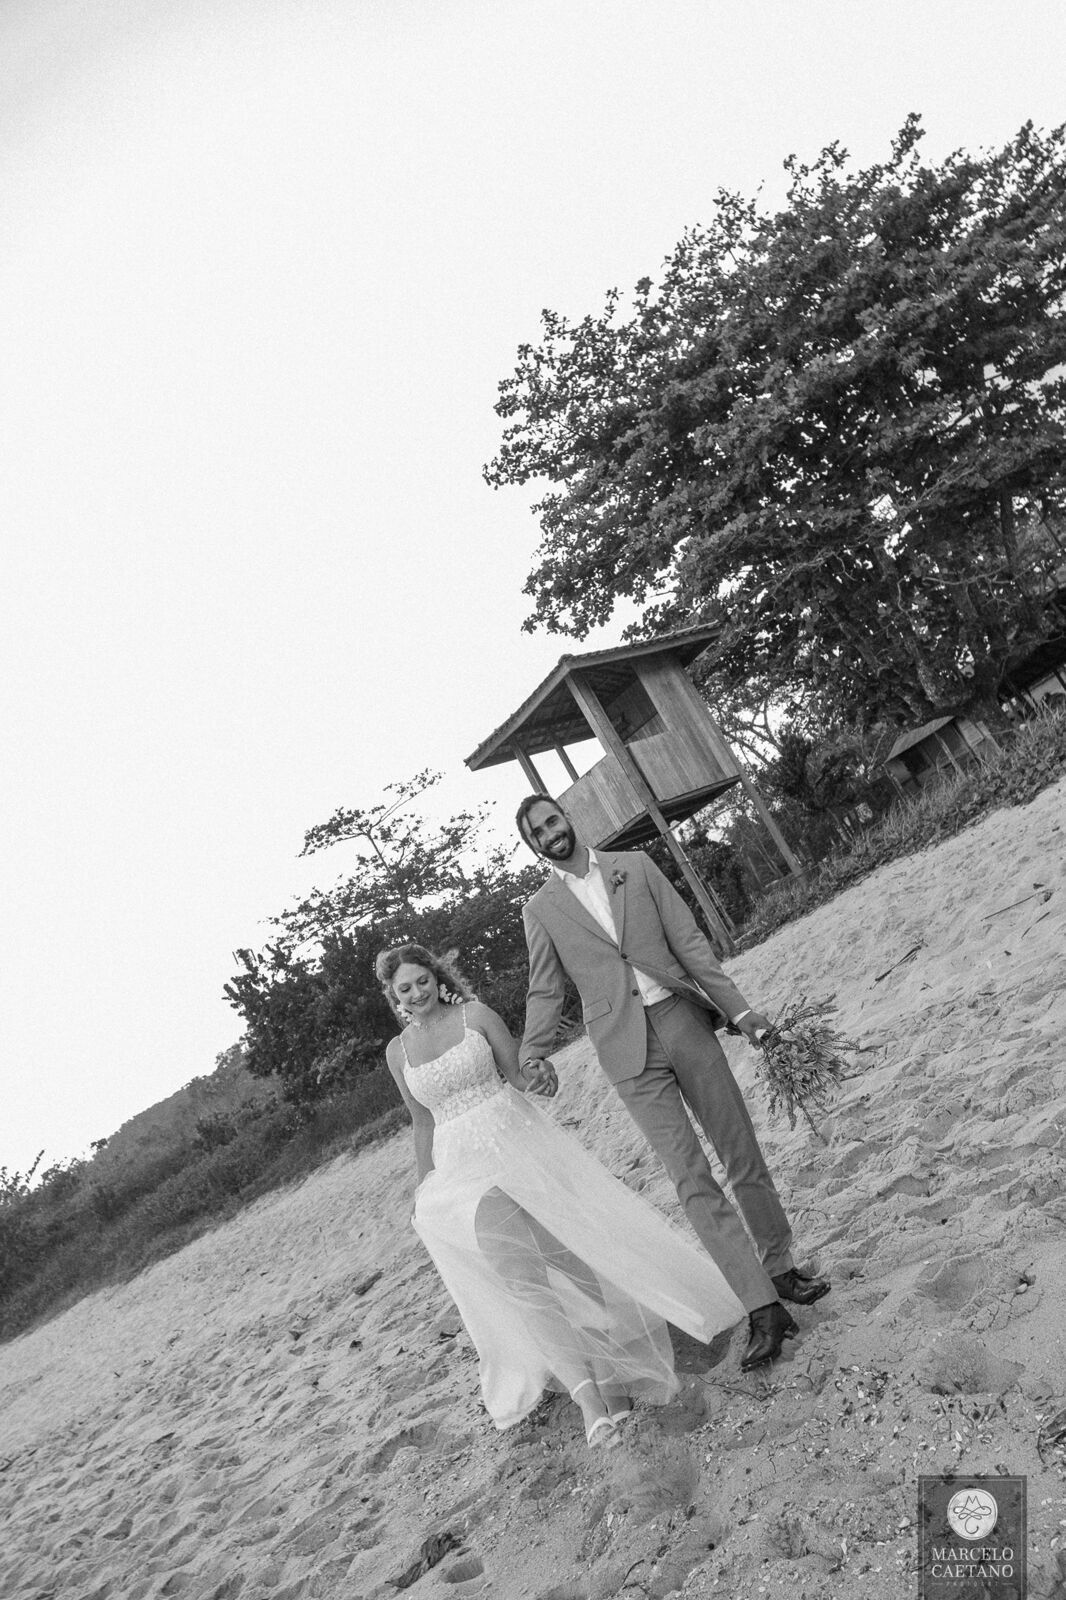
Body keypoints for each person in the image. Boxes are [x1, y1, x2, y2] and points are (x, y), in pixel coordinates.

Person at [377, 942, 747, 1448]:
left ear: (437, 979)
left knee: (576, 1263)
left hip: (520, 1147)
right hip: (464, 1173)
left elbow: (517, 1075)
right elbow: (422, 1123)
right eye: (405, 988)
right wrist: (425, 1186)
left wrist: (541, 1073)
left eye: (422, 981)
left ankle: (615, 1379)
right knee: (525, 1283)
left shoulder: (476, 1016)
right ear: (392, 996)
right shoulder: (398, 1053)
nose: (416, 993)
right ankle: (589, 1402)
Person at [515, 795, 830, 1372]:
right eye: (538, 832)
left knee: (740, 1151)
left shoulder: (634, 866)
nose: (550, 834)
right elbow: (545, 989)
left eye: (553, 820)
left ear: (568, 819)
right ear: (533, 844)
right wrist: (532, 1050)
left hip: (684, 1022)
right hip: (626, 1051)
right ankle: (762, 1307)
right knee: (690, 1178)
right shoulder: (540, 910)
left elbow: (690, 944)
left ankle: (781, 1267)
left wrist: (741, 1011)